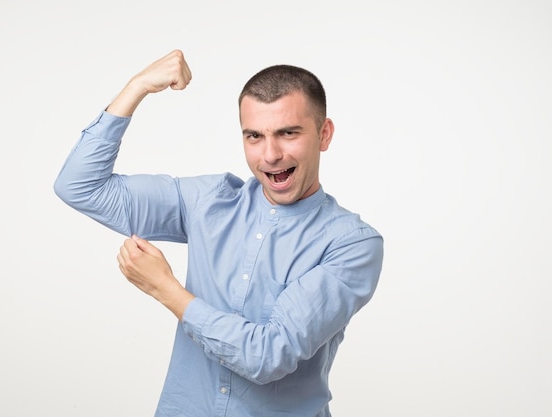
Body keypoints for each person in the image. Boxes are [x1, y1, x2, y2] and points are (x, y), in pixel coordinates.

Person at [54, 49, 383, 417]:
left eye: (288, 133)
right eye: (254, 136)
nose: (271, 154)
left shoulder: (352, 243)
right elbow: (80, 186)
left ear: (324, 134)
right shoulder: (210, 201)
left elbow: (268, 356)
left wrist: (167, 290)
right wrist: (137, 87)